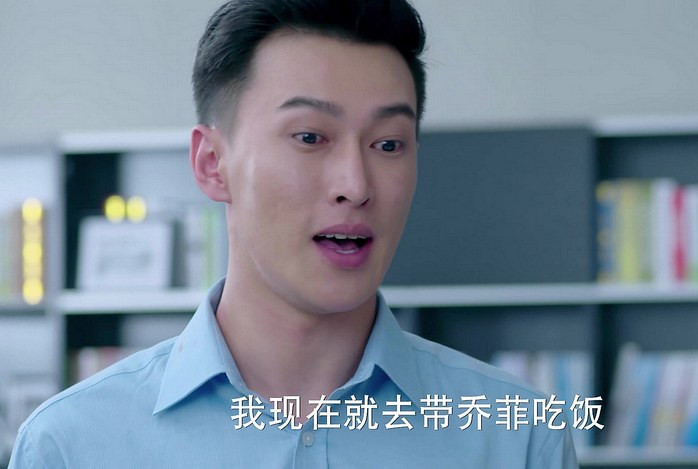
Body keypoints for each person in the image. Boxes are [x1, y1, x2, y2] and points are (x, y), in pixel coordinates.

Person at [10, 0, 577, 467]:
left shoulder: (519, 438)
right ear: (212, 164)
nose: (355, 185)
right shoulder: (72, 444)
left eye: (388, 144)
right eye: (310, 137)